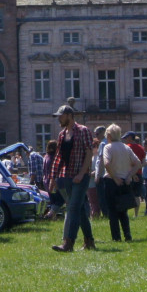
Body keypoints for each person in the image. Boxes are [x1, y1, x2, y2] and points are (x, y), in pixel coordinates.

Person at [50, 101, 95, 252]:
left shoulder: (83, 131)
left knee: (73, 207)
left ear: (70, 115)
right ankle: (89, 241)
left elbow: (89, 153)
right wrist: (53, 177)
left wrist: (82, 173)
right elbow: (59, 157)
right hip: (67, 176)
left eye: (61, 116)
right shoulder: (62, 134)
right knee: (80, 209)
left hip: (81, 176)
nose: (59, 119)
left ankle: (68, 243)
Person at [101, 124, 142, 242]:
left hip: (111, 181)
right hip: (125, 181)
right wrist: (129, 175)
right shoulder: (126, 147)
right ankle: (127, 235)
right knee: (123, 211)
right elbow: (137, 163)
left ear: (108, 135)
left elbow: (107, 163)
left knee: (112, 212)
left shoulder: (108, 147)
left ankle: (116, 237)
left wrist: (114, 177)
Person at [88, 126, 107, 220]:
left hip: (98, 179)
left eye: (97, 134)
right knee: (94, 201)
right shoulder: (94, 155)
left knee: (97, 201)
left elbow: (101, 164)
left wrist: (95, 174)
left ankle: (98, 216)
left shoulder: (103, 144)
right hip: (94, 180)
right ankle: (96, 216)